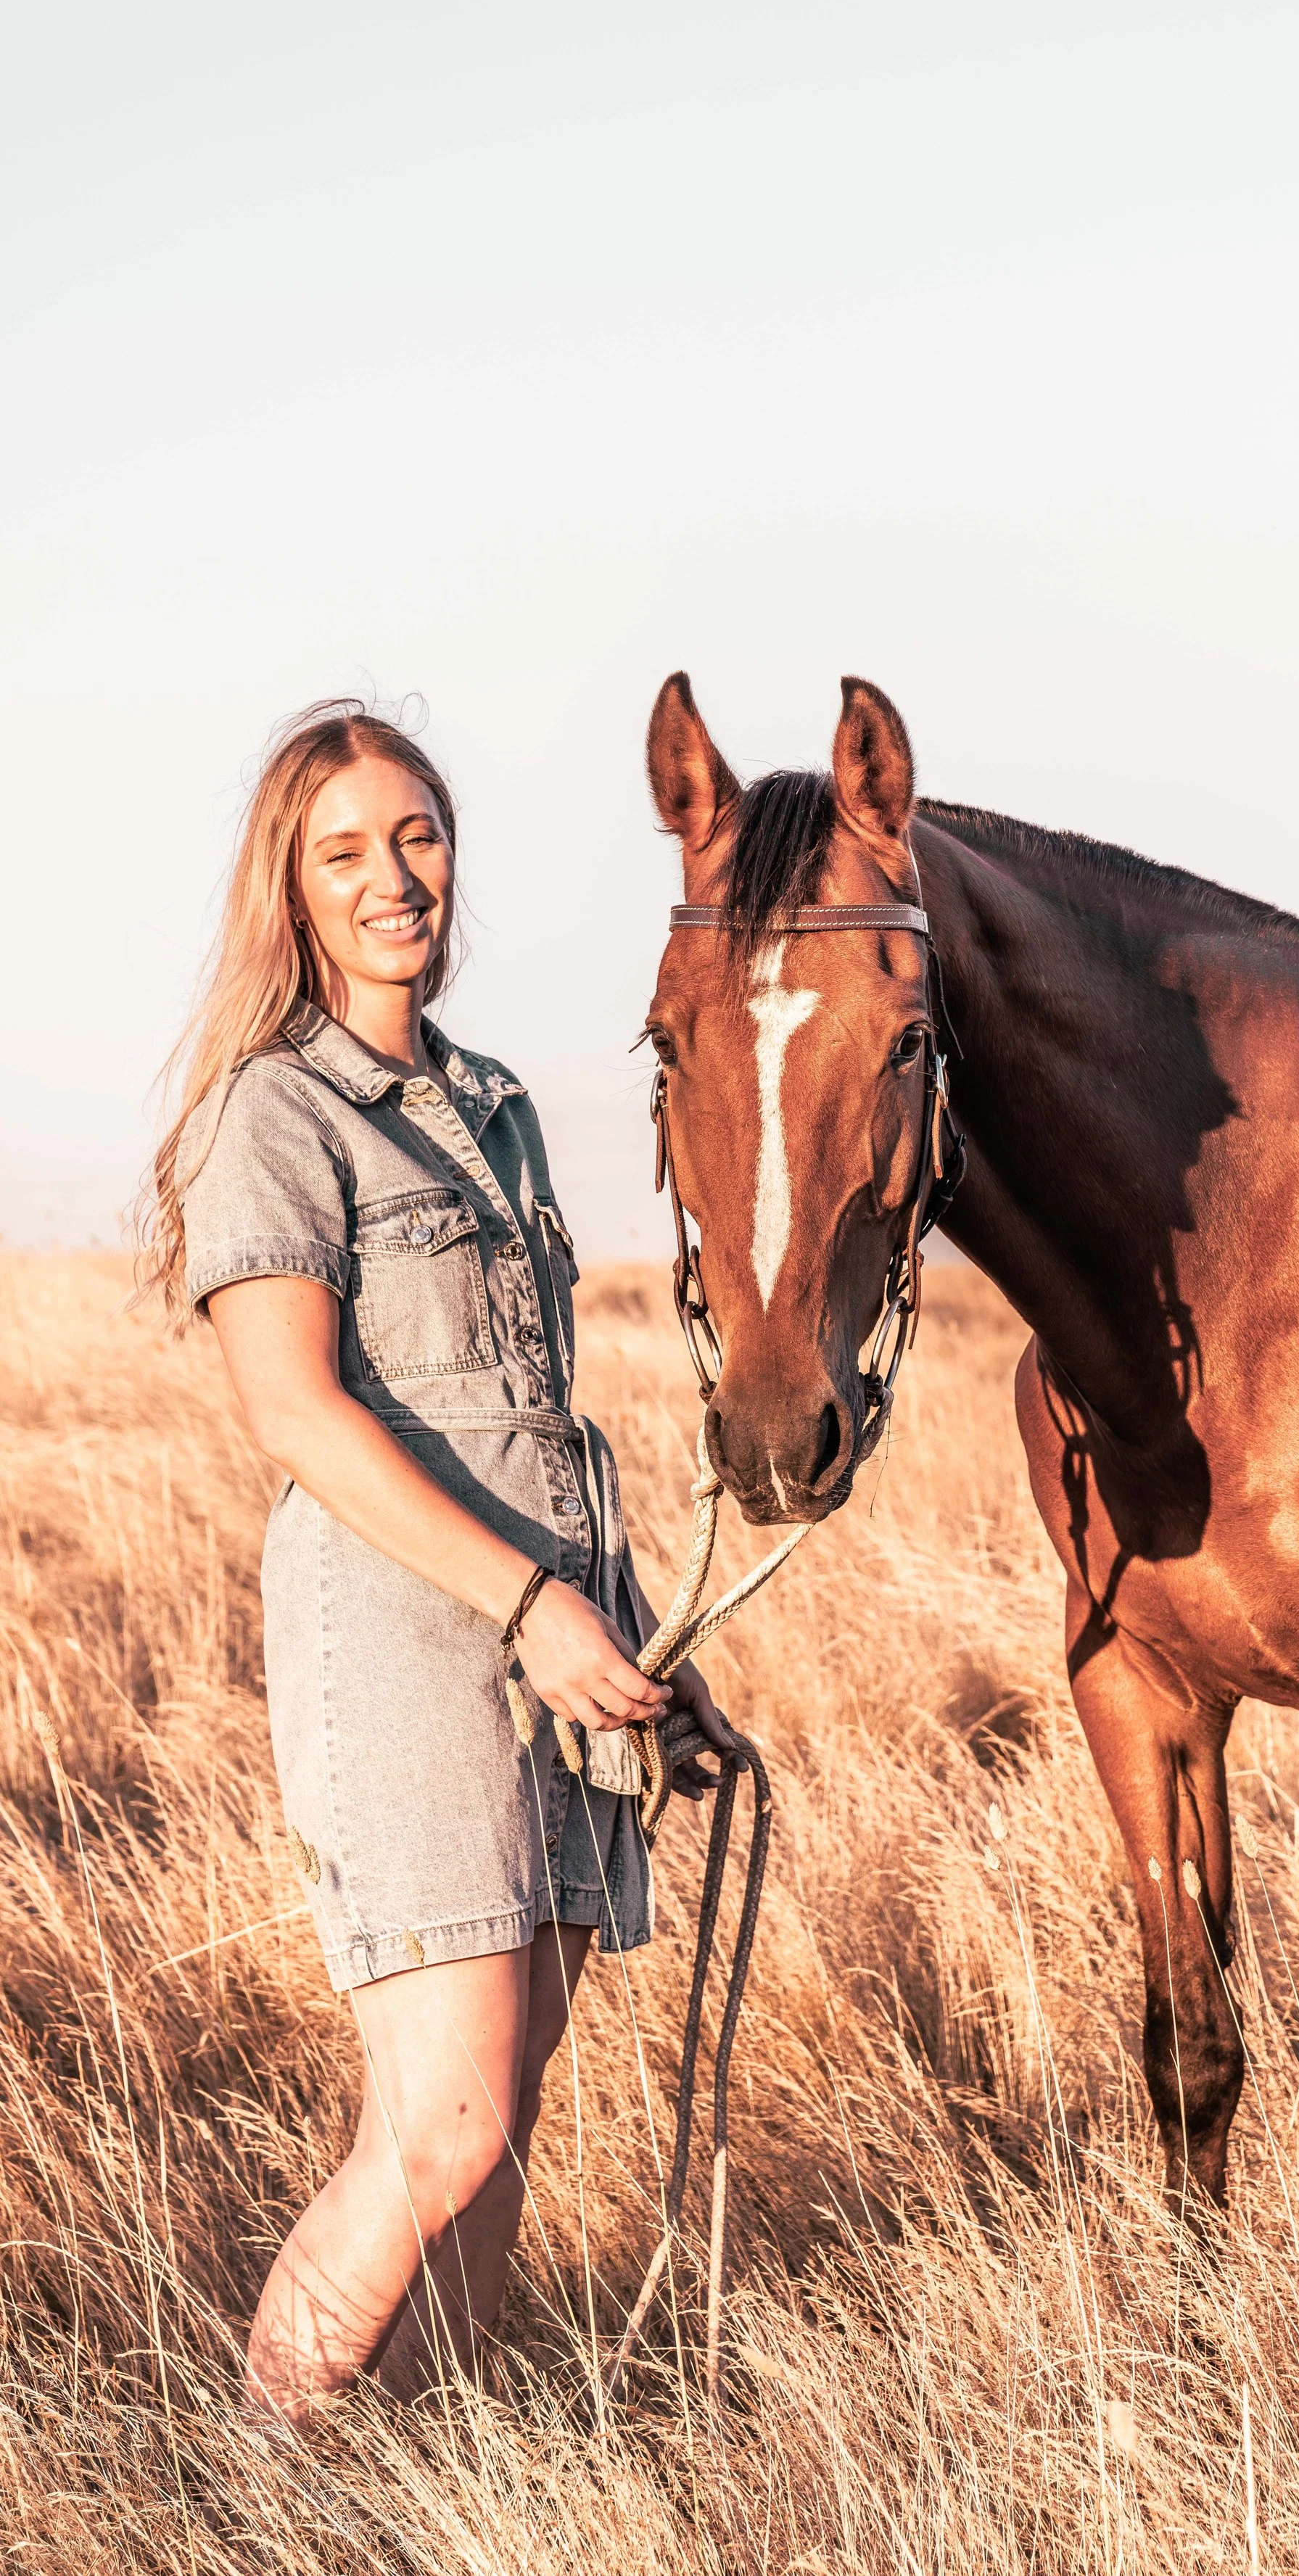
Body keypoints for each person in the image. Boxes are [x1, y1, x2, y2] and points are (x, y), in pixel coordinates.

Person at [140, 699, 732, 2427]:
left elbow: (530, 1412)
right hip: (408, 1640)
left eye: (417, 833)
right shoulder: (277, 1110)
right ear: (295, 893)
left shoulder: (494, 1106)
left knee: (502, 2125)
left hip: (552, 1642)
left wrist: (619, 1640)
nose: (396, 876)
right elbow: (296, 1412)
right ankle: (257, 2481)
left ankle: (424, 2483)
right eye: (347, 852)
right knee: (440, 2120)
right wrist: (537, 1608)